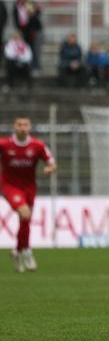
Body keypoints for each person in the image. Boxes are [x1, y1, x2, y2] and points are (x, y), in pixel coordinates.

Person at [1, 115, 57, 272]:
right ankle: (27, 251)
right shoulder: (4, 144)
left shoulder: (38, 146)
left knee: (25, 222)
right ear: (14, 126)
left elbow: (52, 162)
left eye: (25, 125)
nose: (22, 127)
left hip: (29, 188)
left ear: (30, 127)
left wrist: (49, 168)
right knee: (25, 213)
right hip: (10, 186)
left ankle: (17, 252)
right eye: (19, 124)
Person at [13, 0, 42, 72]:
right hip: (23, 31)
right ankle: (25, 66)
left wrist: (34, 10)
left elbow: (37, 14)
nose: (23, 1)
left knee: (35, 49)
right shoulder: (16, 8)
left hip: (33, 31)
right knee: (24, 49)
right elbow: (16, 20)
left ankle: (35, 67)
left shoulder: (30, 5)